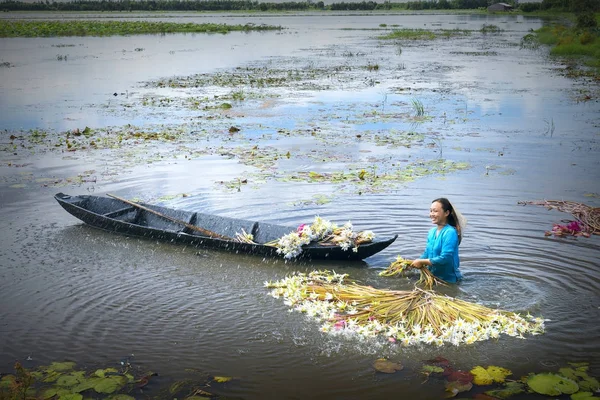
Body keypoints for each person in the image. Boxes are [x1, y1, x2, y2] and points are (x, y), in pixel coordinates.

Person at [410, 198, 465, 283]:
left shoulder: (450, 232)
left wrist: (421, 261)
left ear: (446, 213)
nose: (432, 214)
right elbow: (427, 253)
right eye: (431, 211)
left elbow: (445, 258)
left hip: (449, 281)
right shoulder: (432, 232)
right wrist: (414, 262)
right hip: (433, 279)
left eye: (435, 211)